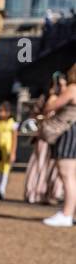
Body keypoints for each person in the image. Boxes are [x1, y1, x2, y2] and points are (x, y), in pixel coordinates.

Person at [36, 63, 76, 227]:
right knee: (71, 176)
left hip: (68, 131)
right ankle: (70, 212)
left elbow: (50, 107)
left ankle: (66, 214)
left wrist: (54, 94)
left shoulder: (73, 88)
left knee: (66, 175)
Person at [24, 73, 66, 205]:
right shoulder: (49, 98)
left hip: (59, 136)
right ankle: (35, 193)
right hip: (45, 135)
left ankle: (51, 193)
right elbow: (39, 113)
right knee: (40, 163)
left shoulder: (65, 97)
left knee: (54, 166)